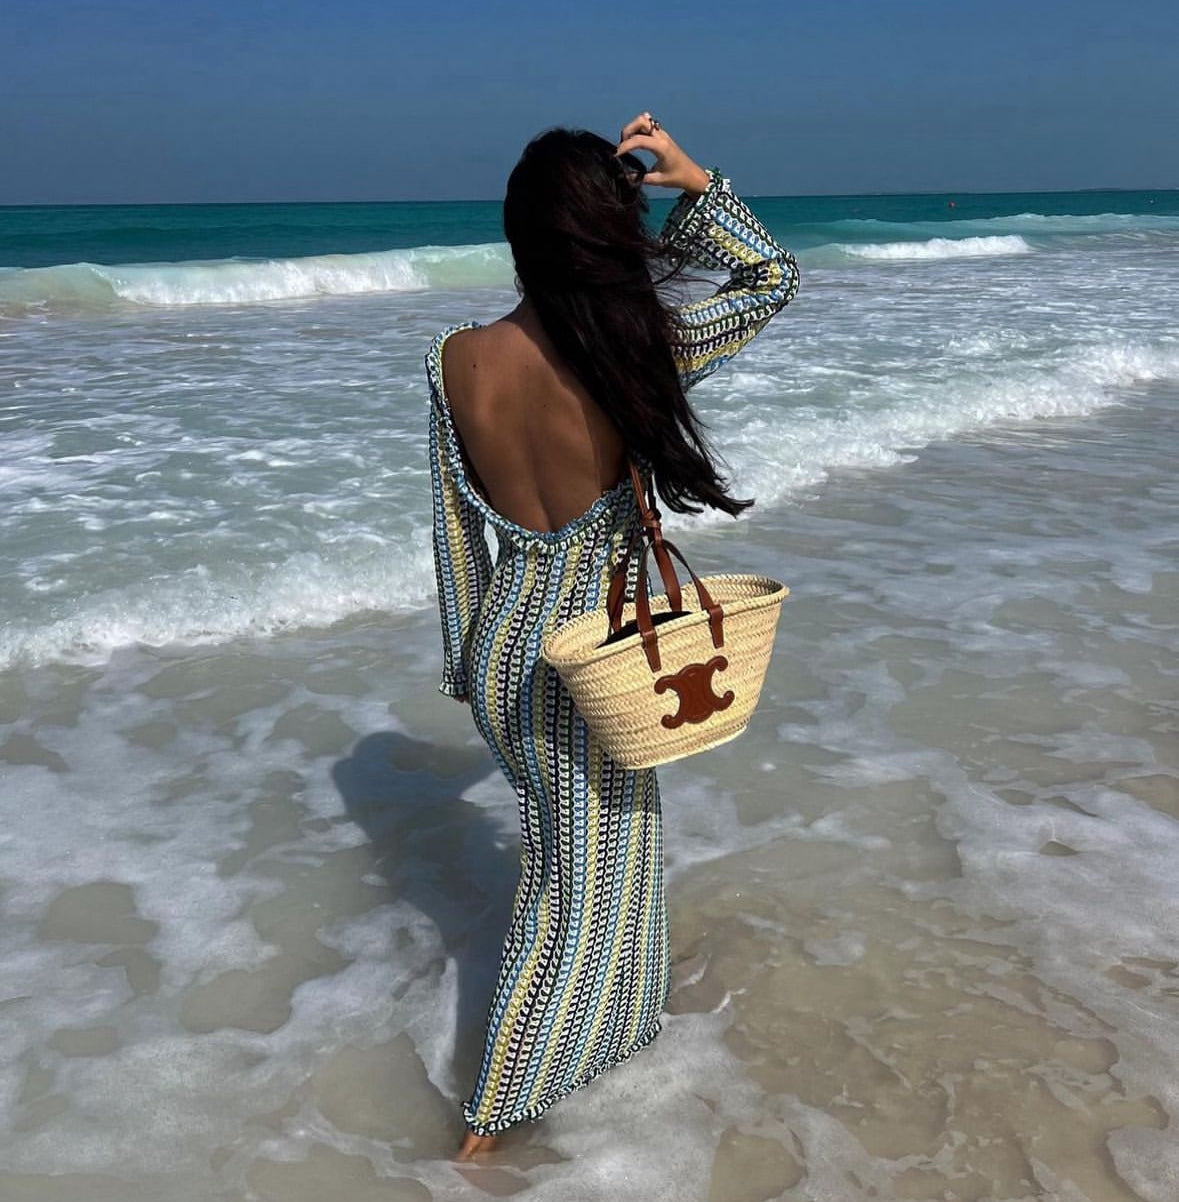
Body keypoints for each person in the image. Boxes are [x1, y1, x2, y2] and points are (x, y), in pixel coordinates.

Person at [426, 112, 799, 1159]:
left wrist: (465, 666)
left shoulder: (453, 359)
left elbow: (453, 529)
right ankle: (490, 1123)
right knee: (571, 884)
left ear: (518, 235)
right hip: (598, 645)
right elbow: (771, 279)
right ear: (608, 229)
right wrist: (695, 180)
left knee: (600, 854)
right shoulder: (638, 347)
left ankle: (613, 1038)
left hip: (504, 641)